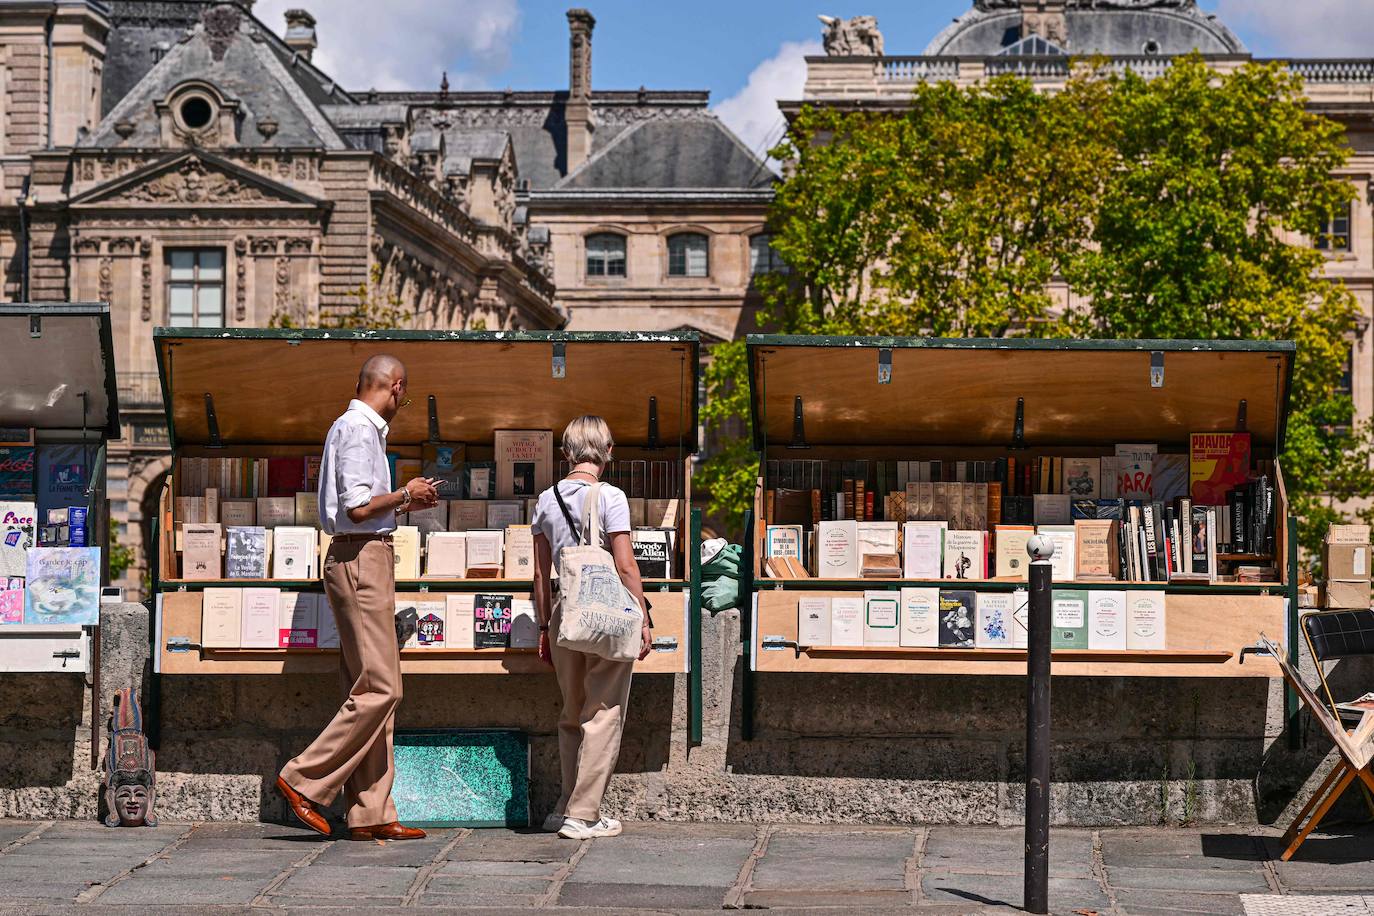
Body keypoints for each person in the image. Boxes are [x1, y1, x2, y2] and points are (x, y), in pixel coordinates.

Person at [275, 354, 439, 841]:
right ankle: (301, 779)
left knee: (369, 688)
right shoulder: (359, 429)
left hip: (363, 556)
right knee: (381, 687)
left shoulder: (357, 429)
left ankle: (371, 811)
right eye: (403, 397)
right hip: (360, 555)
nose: (402, 405)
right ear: (394, 385)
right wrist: (407, 495)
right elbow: (358, 506)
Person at [531, 415, 652, 840]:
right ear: (608, 452)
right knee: (603, 713)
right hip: (604, 613)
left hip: (565, 612)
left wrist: (545, 628)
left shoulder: (545, 499)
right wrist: (642, 616)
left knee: (571, 712)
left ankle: (566, 804)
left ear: (566, 453)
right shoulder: (612, 497)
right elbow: (625, 564)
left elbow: (540, 574)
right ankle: (583, 815)